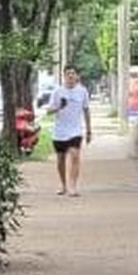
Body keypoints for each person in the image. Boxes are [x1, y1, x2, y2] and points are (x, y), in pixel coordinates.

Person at [46, 65, 92, 196]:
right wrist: (59, 107)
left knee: (75, 156)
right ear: (64, 76)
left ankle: (73, 186)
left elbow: (86, 110)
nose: (71, 76)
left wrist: (89, 130)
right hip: (59, 131)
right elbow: (49, 111)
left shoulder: (82, 91)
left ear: (76, 76)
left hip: (75, 130)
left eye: (73, 73)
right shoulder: (57, 92)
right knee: (61, 159)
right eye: (68, 74)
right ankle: (63, 185)